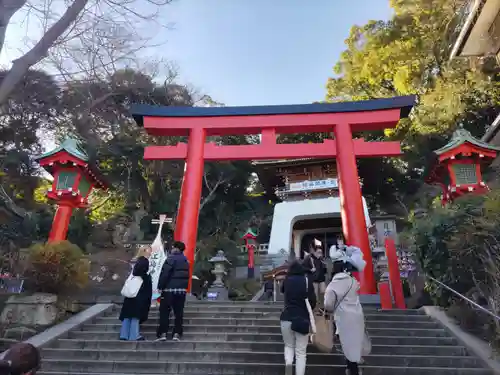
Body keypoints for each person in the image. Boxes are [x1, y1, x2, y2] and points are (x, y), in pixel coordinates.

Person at [324, 255, 367, 375]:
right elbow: (357, 288)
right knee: (354, 342)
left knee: (348, 344)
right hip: (358, 315)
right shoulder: (352, 281)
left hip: (343, 318)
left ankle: (353, 369)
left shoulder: (333, 285)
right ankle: (353, 367)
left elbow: (328, 305)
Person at [280, 260, 316, 375]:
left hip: (286, 317)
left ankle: (289, 366)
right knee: (301, 352)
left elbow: (282, 291)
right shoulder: (306, 281)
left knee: (289, 346)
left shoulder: (287, 281)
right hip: (302, 318)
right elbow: (312, 300)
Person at [155, 240, 190, 342]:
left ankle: (163, 333)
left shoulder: (170, 259)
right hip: (181, 291)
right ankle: (176, 334)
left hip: (169, 290)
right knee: (178, 313)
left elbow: (165, 274)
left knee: (164, 312)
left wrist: (160, 286)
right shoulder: (185, 260)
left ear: (175, 248)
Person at [119, 256, 152, 341]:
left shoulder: (133, 275)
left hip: (129, 298)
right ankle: (134, 335)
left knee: (127, 317)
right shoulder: (146, 277)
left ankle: (124, 334)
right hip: (139, 300)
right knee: (135, 317)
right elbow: (148, 291)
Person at [304, 245, 327, 314]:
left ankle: (323, 307)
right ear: (314, 252)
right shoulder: (309, 258)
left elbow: (324, 270)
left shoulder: (321, 259)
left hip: (321, 279)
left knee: (324, 292)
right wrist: (310, 269)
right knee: (315, 295)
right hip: (314, 279)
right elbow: (303, 267)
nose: (319, 254)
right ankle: (316, 309)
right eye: (318, 252)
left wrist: (324, 264)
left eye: (321, 252)